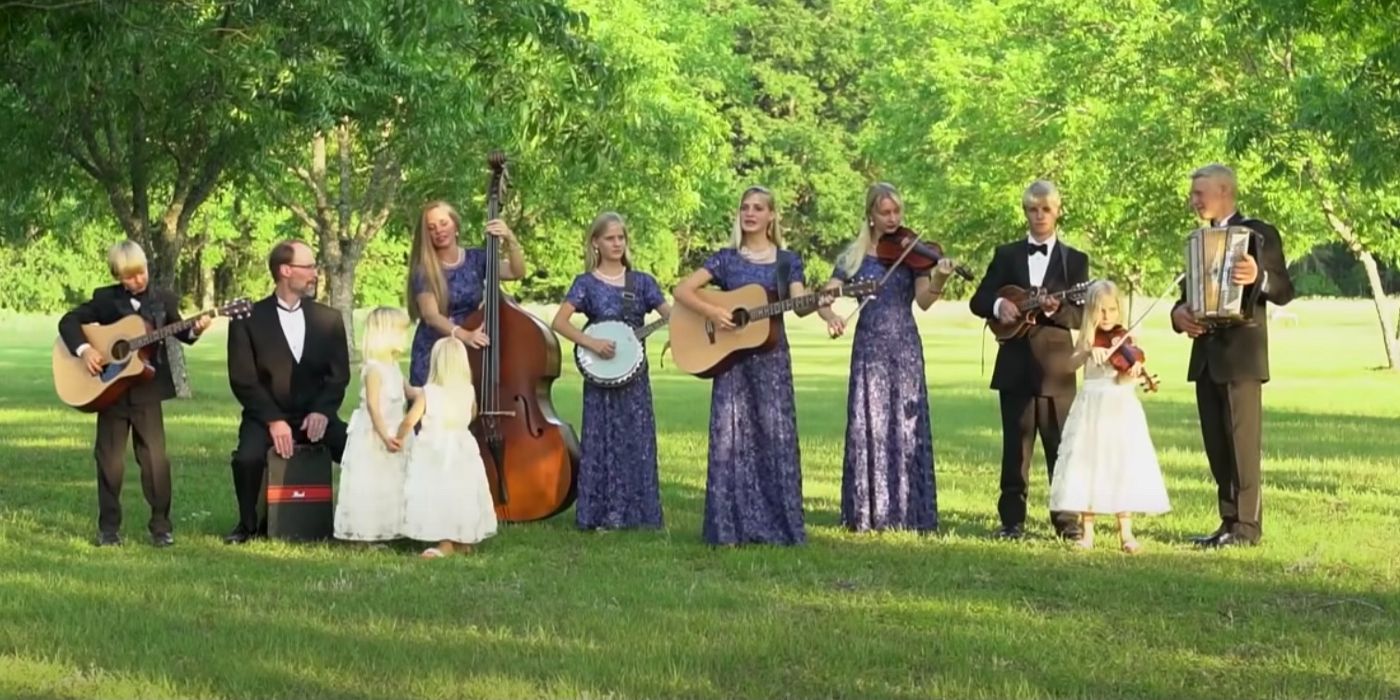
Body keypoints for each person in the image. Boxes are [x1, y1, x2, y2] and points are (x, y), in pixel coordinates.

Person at [673, 186, 827, 546]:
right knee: (732, 438)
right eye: (745, 207)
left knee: (775, 436)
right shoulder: (725, 259)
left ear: (772, 216)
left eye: (758, 208)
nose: (750, 213)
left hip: (772, 360)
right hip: (731, 360)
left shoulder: (787, 260)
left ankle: (778, 528)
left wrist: (819, 302)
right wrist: (714, 312)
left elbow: (799, 302)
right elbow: (683, 290)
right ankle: (730, 528)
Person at [1170, 164, 1295, 549]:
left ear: (1224, 191)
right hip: (1206, 355)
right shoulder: (1199, 240)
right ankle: (1227, 522)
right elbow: (1185, 297)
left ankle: (1247, 527)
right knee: (1216, 444)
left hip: (1242, 355)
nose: (1193, 201)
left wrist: (1258, 276)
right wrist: (1178, 316)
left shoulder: (1258, 234)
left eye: (1199, 194)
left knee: (1242, 444)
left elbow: (1284, 290)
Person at [58, 240, 211, 547]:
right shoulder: (105, 299)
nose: (136, 280)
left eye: (139, 273)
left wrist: (197, 328)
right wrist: (86, 350)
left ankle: (161, 527)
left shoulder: (163, 299)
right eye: (128, 276)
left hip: (147, 390)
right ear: (118, 277)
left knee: (155, 461)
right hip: (110, 390)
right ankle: (109, 529)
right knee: (109, 462)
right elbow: (69, 321)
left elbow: (181, 332)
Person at [823, 183, 957, 533]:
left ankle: (910, 512)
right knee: (870, 425)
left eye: (897, 211)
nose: (894, 219)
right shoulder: (852, 256)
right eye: (886, 212)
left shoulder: (912, 254)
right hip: (869, 346)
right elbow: (825, 296)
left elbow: (924, 302)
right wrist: (832, 317)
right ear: (871, 215)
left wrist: (940, 276)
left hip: (905, 347)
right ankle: (869, 512)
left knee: (906, 427)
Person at [968, 180, 1090, 540]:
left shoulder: (1075, 260)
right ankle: (1012, 520)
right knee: (1016, 448)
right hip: (1015, 365)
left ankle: (1066, 522)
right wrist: (998, 305)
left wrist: (1057, 309)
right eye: (1032, 209)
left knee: (1060, 446)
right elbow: (979, 300)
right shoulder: (1006, 255)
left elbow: (1082, 316)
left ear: (1057, 211)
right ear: (1025, 212)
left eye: (1046, 209)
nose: (1039, 216)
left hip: (1057, 367)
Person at [549, 212, 671, 531]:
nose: (617, 243)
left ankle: (641, 516)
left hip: (635, 376)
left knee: (637, 439)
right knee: (602, 439)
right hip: (601, 376)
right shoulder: (585, 284)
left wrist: (683, 324)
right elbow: (559, 322)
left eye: (621, 238)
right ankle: (600, 515)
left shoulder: (641, 282)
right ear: (596, 243)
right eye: (610, 238)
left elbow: (670, 315)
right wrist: (591, 342)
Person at [225, 240, 349, 544]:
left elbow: (339, 376)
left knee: (357, 450)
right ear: (285, 270)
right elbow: (243, 380)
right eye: (308, 267)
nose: (315, 273)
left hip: (316, 415)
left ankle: (357, 523)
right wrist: (273, 420)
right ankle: (248, 524)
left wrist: (322, 411)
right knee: (248, 458)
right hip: (265, 416)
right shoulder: (247, 319)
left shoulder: (329, 319)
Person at [1048, 281, 1170, 553]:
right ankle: (1087, 533)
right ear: (1091, 311)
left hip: (1119, 409)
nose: (1107, 317)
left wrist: (1134, 371)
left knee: (1120, 465)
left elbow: (1122, 379)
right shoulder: (1087, 339)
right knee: (1088, 466)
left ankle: (1126, 532)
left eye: (1112, 310)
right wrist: (1090, 352)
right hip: (1091, 408)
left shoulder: (1127, 339)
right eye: (1101, 311)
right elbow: (1070, 364)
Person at [406, 200, 525, 386]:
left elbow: (516, 272)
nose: (439, 230)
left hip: (469, 350)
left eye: (444, 223)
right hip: (435, 351)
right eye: (431, 227)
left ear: (456, 226)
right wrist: (465, 335)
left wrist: (510, 238)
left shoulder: (476, 258)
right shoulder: (425, 270)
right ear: (426, 235)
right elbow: (431, 316)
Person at [400, 338, 498, 557]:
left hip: (436, 449)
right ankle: (462, 540)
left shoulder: (429, 392)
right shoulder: (469, 390)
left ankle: (445, 543)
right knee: (461, 492)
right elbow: (471, 415)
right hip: (463, 448)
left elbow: (410, 420)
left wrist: (398, 438)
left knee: (439, 493)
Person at [333, 307, 416, 543]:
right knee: (373, 481)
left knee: (394, 480)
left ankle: (394, 528)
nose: (404, 337)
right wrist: (383, 435)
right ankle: (368, 532)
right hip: (375, 434)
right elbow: (372, 406)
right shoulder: (374, 370)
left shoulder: (394, 367)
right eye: (401, 332)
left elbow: (410, 391)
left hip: (396, 430)